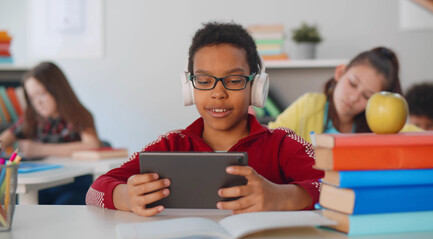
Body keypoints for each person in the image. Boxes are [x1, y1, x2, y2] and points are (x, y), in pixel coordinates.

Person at [86, 22, 323, 216]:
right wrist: (125, 196)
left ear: (256, 87)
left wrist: (281, 196)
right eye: (204, 80)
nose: (218, 93)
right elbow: (94, 191)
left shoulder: (281, 144)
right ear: (189, 88)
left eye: (234, 80)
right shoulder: (172, 145)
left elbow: (336, 187)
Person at [268, 47, 420, 143]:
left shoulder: (378, 127)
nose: (354, 98)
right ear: (340, 73)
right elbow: (269, 140)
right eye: (352, 84)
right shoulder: (309, 105)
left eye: (367, 96)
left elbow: (421, 137)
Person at [0, 61, 101, 204]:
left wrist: (40, 149)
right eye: (32, 98)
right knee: (20, 204)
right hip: (42, 186)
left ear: (57, 90)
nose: (37, 103)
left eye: (42, 94)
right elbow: (4, 139)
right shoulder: (31, 119)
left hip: (72, 184)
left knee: (63, 205)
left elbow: (92, 144)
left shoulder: (77, 115)